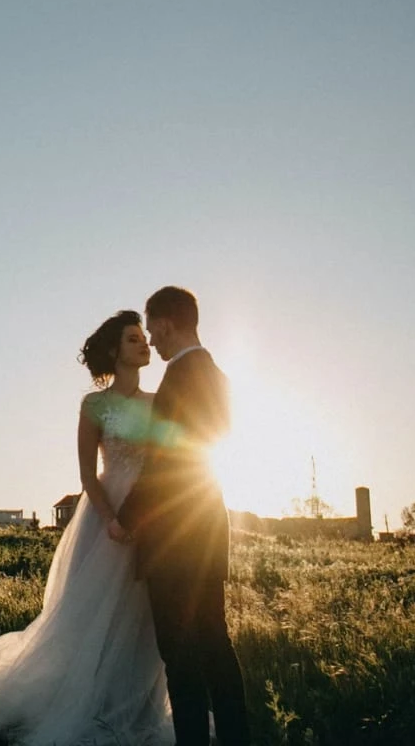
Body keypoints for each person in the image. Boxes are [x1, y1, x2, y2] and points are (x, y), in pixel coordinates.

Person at [0, 310, 174, 745]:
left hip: (151, 514)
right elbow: (88, 475)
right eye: (134, 339)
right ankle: (87, 704)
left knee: (146, 618)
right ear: (114, 350)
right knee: (92, 619)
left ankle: (137, 709)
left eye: (143, 338)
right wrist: (111, 520)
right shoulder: (94, 405)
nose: (144, 344)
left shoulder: (159, 401)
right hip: (106, 519)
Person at [118, 287, 250, 746]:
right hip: (208, 527)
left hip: (174, 537)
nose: (151, 340)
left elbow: (165, 463)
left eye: (152, 329)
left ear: (166, 323)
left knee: (179, 653)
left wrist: (125, 516)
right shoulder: (217, 375)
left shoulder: (178, 378)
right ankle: (235, 738)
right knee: (215, 643)